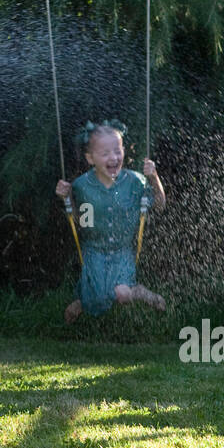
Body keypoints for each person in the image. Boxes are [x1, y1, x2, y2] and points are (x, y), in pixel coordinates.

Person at [53, 120, 168, 324]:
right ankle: (84, 302)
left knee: (123, 295)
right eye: (105, 153)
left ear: (124, 150)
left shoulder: (136, 182)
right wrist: (67, 199)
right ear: (90, 158)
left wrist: (153, 177)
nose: (113, 157)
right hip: (93, 251)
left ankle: (138, 292)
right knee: (97, 298)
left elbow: (159, 204)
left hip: (122, 251)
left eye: (117, 151)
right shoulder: (82, 186)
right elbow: (82, 222)